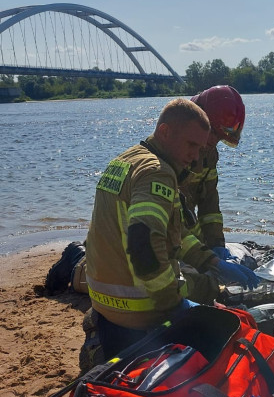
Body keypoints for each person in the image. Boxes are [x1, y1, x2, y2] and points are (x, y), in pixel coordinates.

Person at [85, 98, 257, 360]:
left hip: (104, 305)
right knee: (227, 344)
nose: (195, 156)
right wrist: (174, 306)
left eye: (200, 148)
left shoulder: (125, 160)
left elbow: (172, 233)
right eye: (191, 145)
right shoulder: (158, 173)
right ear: (164, 131)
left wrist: (210, 260)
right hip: (140, 312)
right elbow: (144, 244)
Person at [180, 85, 249, 262]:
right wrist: (203, 255)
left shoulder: (209, 155)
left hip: (187, 238)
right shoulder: (174, 151)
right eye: (211, 132)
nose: (213, 141)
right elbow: (173, 216)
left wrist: (216, 244)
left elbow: (209, 204)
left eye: (219, 137)